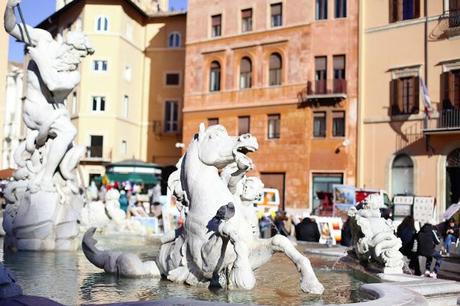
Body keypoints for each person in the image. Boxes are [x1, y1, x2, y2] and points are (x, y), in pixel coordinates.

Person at [4, 0, 94, 192]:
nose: (76, 62)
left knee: (68, 133)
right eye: (78, 56)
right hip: (35, 109)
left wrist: (39, 59)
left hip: (54, 114)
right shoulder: (43, 40)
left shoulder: (72, 74)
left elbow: (52, 85)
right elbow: (11, 27)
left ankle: (54, 176)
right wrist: (10, 7)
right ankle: (45, 180)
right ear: (70, 48)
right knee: (68, 131)